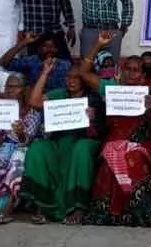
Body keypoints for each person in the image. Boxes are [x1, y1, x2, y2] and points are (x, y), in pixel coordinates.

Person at [82, 34, 151, 227]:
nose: (131, 74)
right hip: (114, 140)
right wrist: (98, 44)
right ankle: (109, 212)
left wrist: (150, 110)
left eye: (136, 71)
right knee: (110, 155)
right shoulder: (111, 88)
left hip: (142, 142)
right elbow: (84, 73)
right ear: (121, 70)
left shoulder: (149, 93)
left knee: (131, 157)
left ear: (143, 75)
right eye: (127, 69)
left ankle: (137, 212)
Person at [24, 60, 104, 223]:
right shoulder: (60, 94)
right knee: (38, 148)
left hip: (86, 140)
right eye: (68, 77)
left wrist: (92, 119)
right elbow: (34, 102)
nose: (71, 81)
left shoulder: (94, 98)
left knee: (79, 150)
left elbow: (101, 129)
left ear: (84, 79)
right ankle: (44, 205)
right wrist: (45, 73)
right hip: (59, 140)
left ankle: (78, 208)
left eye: (76, 77)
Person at [0, 72, 43, 225]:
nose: (10, 90)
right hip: (4, 146)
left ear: (25, 89)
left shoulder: (31, 111)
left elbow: (27, 140)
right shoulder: (0, 109)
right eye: (8, 86)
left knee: (17, 159)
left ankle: (8, 209)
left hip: (23, 147)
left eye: (15, 87)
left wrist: (20, 133)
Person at [0, 33, 71, 92]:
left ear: (57, 49)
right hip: (31, 102)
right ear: (39, 48)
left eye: (52, 46)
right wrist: (24, 42)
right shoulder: (31, 61)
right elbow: (3, 62)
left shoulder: (66, 65)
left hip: (56, 104)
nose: (49, 49)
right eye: (45, 46)